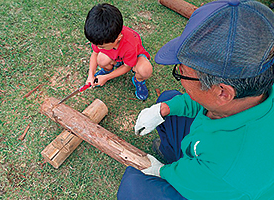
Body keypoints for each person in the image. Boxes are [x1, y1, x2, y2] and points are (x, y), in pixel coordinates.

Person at [117, 0, 274, 199]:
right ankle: (174, 152)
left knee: (134, 188)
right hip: (213, 162)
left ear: (223, 92)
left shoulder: (228, 170)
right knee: (169, 101)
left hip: (219, 188)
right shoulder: (251, 89)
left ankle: (177, 162)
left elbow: (195, 178)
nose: (180, 76)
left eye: (182, 71)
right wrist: (163, 109)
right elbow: (204, 101)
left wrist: (162, 172)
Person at [84, 3, 153, 100]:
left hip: (134, 57)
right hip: (116, 56)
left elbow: (127, 66)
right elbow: (95, 54)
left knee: (145, 70)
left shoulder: (130, 45)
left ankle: (139, 80)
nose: (98, 47)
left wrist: (107, 77)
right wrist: (90, 74)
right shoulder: (100, 37)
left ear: (118, 38)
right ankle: (108, 69)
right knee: (101, 59)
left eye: (101, 46)